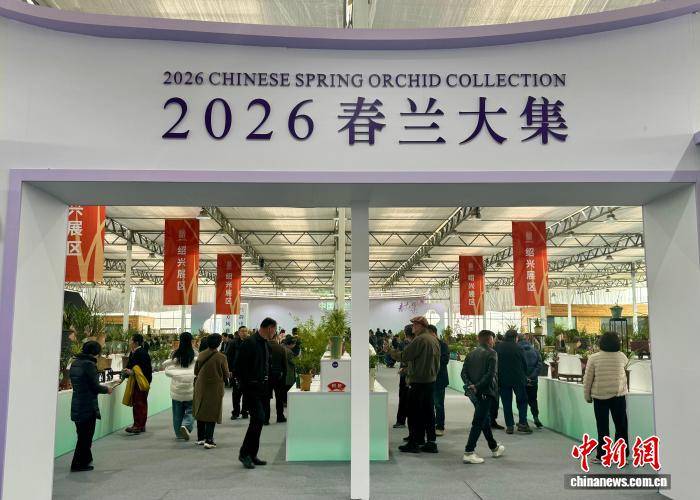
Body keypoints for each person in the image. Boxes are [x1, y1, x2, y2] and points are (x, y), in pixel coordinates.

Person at [390, 316, 440, 454]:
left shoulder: (420, 339)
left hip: (418, 381)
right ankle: (430, 441)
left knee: (413, 412)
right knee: (428, 412)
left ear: (420, 326)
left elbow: (404, 356)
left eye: (414, 325)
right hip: (430, 380)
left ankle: (414, 442)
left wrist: (390, 351)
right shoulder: (433, 339)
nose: (412, 327)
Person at [236, 317, 277, 469]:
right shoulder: (250, 342)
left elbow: (265, 365)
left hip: (263, 389)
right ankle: (244, 454)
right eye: (274, 329)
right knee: (258, 419)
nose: (275, 332)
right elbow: (239, 366)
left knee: (258, 421)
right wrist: (247, 385)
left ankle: (252, 454)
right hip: (251, 389)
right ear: (269, 328)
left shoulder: (264, 343)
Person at [583, 332, 629, 464]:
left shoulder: (594, 358)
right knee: (621, 426)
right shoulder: (622, 356)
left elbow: (588, 379)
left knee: (602, 427)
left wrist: (587, 396)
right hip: (618, 396)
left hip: (600, 397)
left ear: (601, 343)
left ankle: (602, 455)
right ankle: (621, 456)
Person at [461, 330, 505, 464]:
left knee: (484, 418)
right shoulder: (492, 353)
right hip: (486, 392)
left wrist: (470, 385)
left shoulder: (471, 353)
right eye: (493, 340)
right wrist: (477, 386)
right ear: (489, 340)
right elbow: (490, 375)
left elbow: (463, 373)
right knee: (479, 421)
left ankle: (494, 447)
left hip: (474, 393)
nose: (494, 342)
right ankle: (469, 452)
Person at [69, 341, 113, 471]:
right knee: (86, 437)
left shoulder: (75, 362)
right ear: (95, 352)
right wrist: (107, 389)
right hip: (87, 405)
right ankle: (78, 464)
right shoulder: (89, 364)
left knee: (82, 434)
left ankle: (86, 459)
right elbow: (94, 386)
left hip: (77, 403)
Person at [193, 333, 229, 449]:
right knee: (212, 412)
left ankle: (200, 438)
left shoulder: (201, 354)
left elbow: (196, 371)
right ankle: (209, 440)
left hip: (200, 386)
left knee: (200, 410)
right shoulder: (221, 357)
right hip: (214, 387)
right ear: (218, 343)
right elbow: (226, 374)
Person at [495, 330, 532, 434]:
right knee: (522, 401)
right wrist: (525, 374)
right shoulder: (519, 348)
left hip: (503, 380)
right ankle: (522, 423)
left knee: (506, 403)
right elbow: (524, 364)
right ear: (516, 337)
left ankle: (509, 426)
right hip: (518, 379)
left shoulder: (498, 347)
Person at [164, 331, 196, 440]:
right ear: (191, 341)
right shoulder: (195, 354)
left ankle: (178, 434)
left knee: (177, 413)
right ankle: (186, 425)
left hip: (177, 389)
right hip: (190, 388)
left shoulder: (174, 354)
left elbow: (168, 369)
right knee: (191, 410)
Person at [124, 333, 152, 434]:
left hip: (141, 382)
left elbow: (144, 369)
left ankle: (138, 426)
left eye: (131, 340)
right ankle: (140, 425)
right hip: (137, 381)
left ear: (135, 342)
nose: (129, 342)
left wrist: (131, 372)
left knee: (139, 403)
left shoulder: (141, 353)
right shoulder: (135, 352)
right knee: (138, 403)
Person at [518, 334, 543, 429]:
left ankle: (523, 421)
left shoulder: (518, 352)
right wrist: (532, 376)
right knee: (533, 400)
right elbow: (539, 365)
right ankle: (536, 417)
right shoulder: (535, 351)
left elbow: (517, 367)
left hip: (521, 381)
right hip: (533, 381)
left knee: (521, 401)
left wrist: (525, 377)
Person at [429, 324, 450, 436]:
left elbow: (445, 360)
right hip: (428, 379)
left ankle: (440, 426)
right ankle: (430, 425)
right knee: (429, 404)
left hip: (439, 379)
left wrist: (430, 362)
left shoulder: (443, 345)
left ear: (433, 333)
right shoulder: (427, 344)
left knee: (438, 404)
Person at [264, 331, 288, 424]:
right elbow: (284, 365)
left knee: (266, 398)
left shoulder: (263, 347)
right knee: (279, 398)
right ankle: (280, 417)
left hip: (266, 376)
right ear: (276, 337)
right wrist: (284, 376)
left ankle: (266, 419)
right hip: (278, 376)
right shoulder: (281, 348)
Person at [393, 325, 414, 429]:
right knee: (407, 398)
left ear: (405, 333)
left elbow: (399, 357)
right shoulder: (414, 343)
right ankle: (403, 421)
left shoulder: (405, 343)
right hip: (410, 374)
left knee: (404, 398)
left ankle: (401, 421)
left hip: (407, 373)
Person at [228, 326, 250, 420]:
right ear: (239, 332)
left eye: (245, 331)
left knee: (247, 393)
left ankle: (245, 411)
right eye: (242, 331)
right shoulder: (233, 343)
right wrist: (229, 369)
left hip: (248, 372)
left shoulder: (250, 342)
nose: (244, 333)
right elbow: (229, 356)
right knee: (236, 393)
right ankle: (235, 412)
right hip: (236, 372)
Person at [282, 340, 297, 407]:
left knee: (284, 388)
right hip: (289, 371)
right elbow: (293, 362)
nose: (294, 346)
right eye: (293, 344)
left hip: (284, 371)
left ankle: (284, 401)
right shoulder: (289, 352)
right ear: (290, 344)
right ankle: (286, 401)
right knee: (288, 388)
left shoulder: (283, 348)